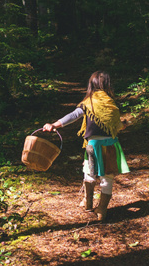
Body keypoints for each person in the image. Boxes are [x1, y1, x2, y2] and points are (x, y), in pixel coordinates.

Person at [43, 71, 129, 221]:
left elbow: (73, 115)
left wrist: (55, 125)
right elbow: (117, 126)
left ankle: (88, 202)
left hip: (93, 144)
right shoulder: (111, 104)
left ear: (91, 85)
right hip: (111, 145)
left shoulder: (88, 103)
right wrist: (125, 125)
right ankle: (102, 209)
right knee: (107, 176)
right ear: (108, 85)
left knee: (89, 171)